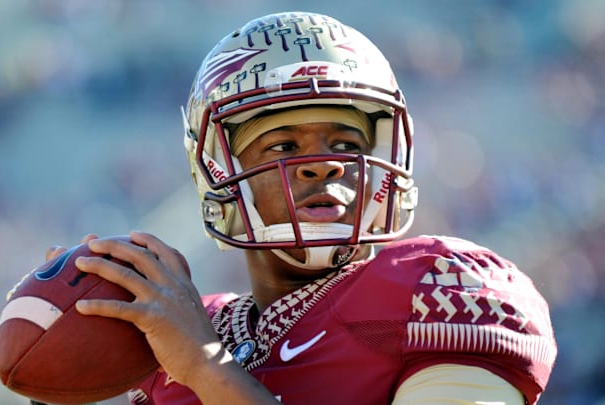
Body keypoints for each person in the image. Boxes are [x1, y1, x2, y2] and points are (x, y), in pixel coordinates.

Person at [47, 11, 557, 404]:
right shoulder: (176, 338)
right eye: (284, 147)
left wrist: (207, 369)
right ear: (220, 170)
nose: (324, 166)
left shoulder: (443, 290)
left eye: (344, 144)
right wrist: (56, 376)